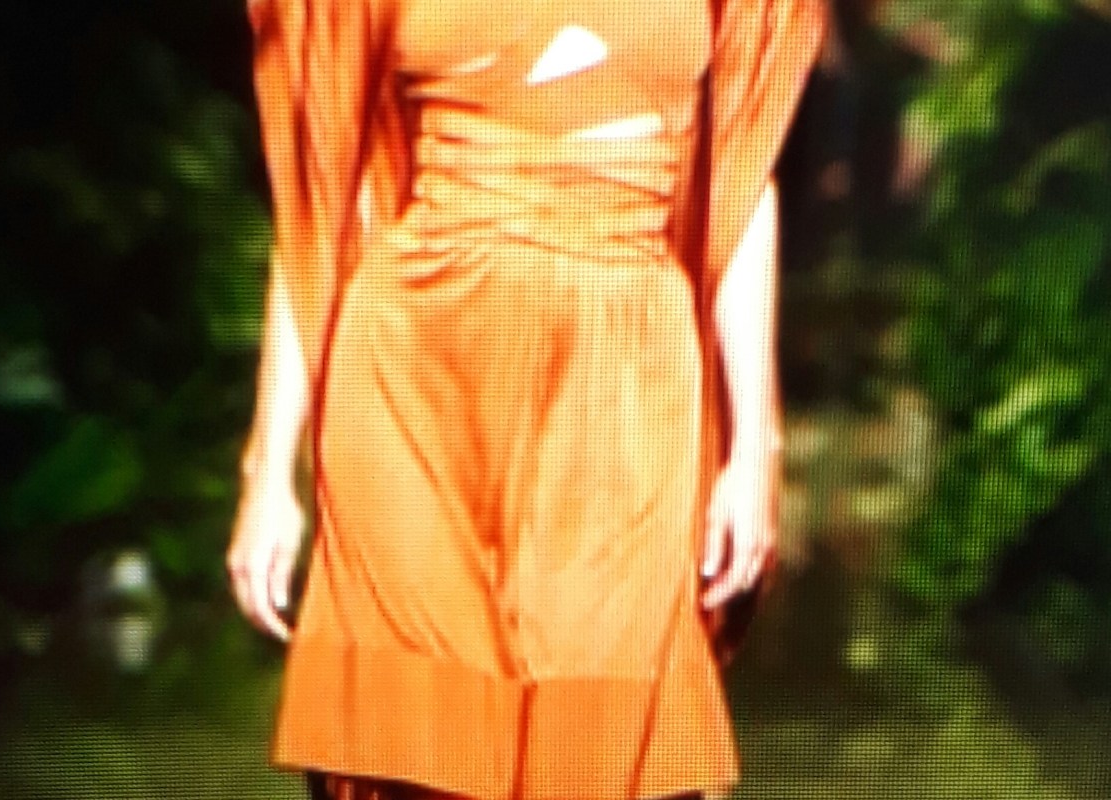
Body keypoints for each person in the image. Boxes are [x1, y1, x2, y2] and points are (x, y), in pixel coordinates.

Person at [227, 0, 825, 797]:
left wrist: (755, 448)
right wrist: (269, 473)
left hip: (620, 383)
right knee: (414, 753)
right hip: (418, 375)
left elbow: (742, 183)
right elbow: (320, 207)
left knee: (601, 740)